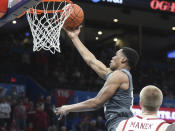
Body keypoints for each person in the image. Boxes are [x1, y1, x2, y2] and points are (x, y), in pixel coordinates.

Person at [55, 26, 139, 131]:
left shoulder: (119, 76)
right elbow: (91, 61)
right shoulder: (117, 75)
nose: (112, 58)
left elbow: (96, 103)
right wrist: (74, 37)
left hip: (120, 126)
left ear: (123, 59)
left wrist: (68, 108)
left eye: (116, 55)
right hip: (122, 125)